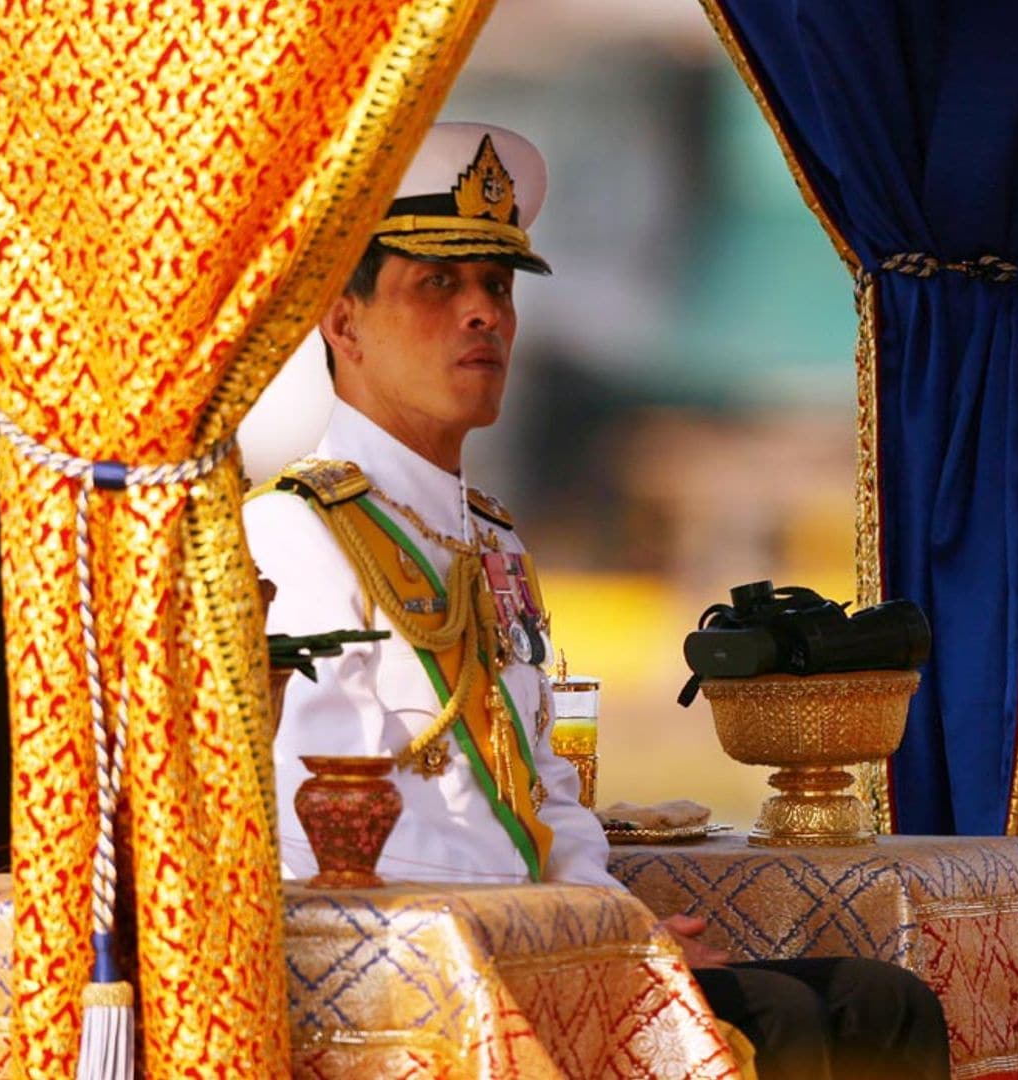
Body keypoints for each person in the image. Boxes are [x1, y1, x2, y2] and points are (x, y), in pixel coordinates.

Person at [244, 122, 950, 1080]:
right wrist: (595, 937)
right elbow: (316, 831)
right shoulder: (296, 533)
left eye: (497, 287)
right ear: (343, 318)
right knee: (778, 1019)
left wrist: (615, 927)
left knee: (882, 1002)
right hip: (429, 977)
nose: (482, 315)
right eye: (438, 286)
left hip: (544, 948)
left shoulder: (489, 537)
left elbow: (544, 790)